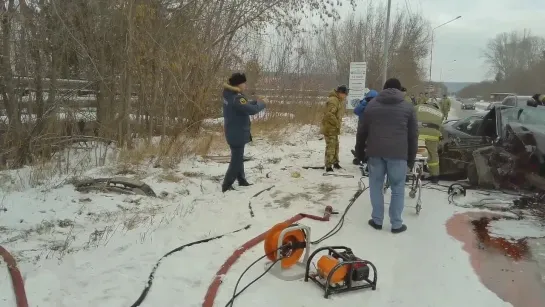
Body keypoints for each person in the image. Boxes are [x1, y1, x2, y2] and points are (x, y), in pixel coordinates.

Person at [355, 78, 417, 234]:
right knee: (397, 188)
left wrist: (360, 153)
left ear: (384, 89)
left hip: (375, 153)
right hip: (398, 154)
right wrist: (411, 158)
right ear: (399, 89)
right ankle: (396, 224)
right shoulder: (408, 108)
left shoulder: (371, 106)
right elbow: (413, 136)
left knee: (376, 186)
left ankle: (377, 220)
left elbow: (362, 132)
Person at [221, 72, 266, 192]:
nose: (245, 85)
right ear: (238, 84)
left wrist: (254, 102)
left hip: (231, 131)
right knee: (236, 160)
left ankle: (241, 180)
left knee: (238, 157)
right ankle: (227, 184)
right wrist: (262, 103)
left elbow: (244, 105)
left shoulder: (228, 94)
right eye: (244, 83)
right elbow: (252, 110)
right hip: (237, 133)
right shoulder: (237, 98)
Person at [321, 85, 348, 172]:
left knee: (336, 145)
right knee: (331, 146)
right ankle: (328, 166)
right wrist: (336, 123)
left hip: (333, 128)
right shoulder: (333, 100)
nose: (345, 96)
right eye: (345, 94)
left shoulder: (337, 100)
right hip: (330, 128)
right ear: (340, 93)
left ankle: (335, 162)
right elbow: (329, 115)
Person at [415, 99, 444, 183]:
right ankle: (435, 176)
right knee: (433, 155)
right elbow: (441, 126)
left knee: (412, 152)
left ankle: (408, 173)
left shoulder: (418, 107)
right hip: (433, 135)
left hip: (418, 133)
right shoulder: (440, 113)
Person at [352, 90, 378, 165]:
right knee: (360, 142)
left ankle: (367, 157)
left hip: (372, 127)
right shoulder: (363, 104)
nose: (371, 101)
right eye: (369, 99)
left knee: (371, 143)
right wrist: (364, 103)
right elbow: (356, 111)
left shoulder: (378, 105)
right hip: (362, 125)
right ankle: (359, 156)